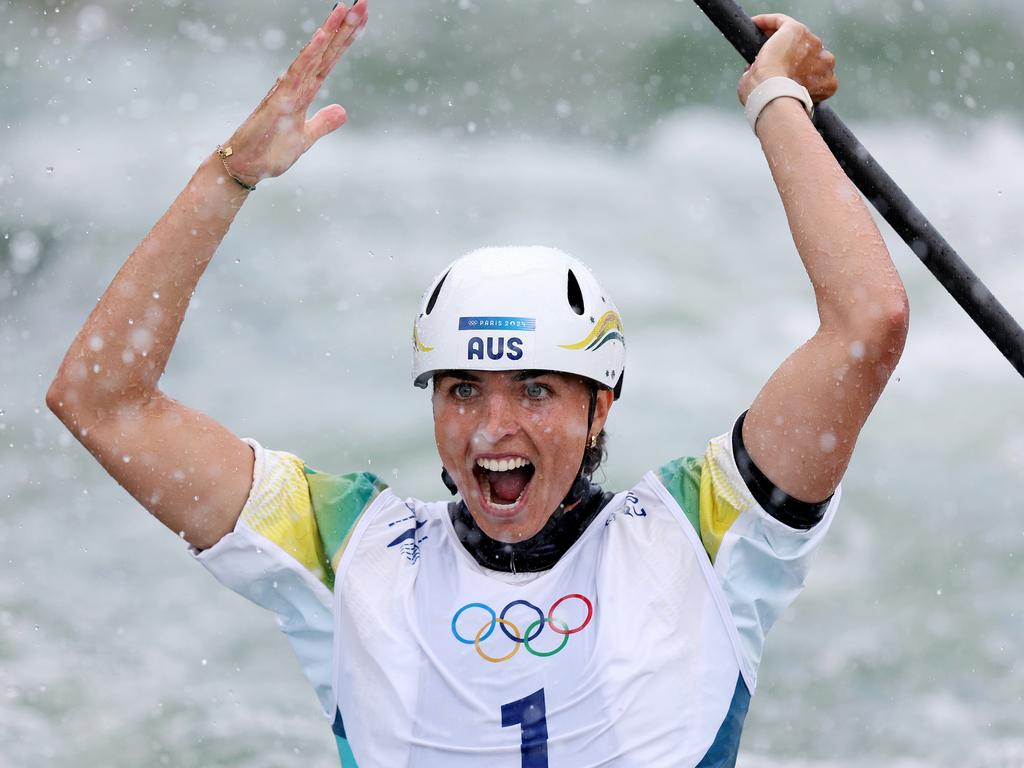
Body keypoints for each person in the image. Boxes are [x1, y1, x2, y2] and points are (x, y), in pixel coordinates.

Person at [46, 3, 908, 766]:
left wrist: (776, 100)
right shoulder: (345, 550)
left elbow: (866, 326)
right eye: (462, 390)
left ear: (599, 404)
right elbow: (100, 401)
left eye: (535, 390)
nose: (493, 427)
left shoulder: (708, 536)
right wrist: (229, 175)